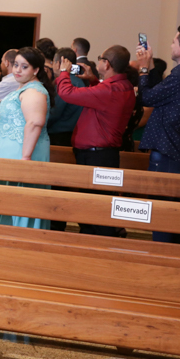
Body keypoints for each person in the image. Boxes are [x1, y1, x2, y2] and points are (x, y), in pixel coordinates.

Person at [135, 24, 180, 244]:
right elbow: (161, 95)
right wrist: (150, 66)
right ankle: (175, 256)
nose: (170, 45)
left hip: (168, 149)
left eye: (173, 42)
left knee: (161, 214)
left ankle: (162, 259)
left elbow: (147, 98)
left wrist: (143, 68)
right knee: (173, 214)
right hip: (178, 147)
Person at [56, 45, 136, 236]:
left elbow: (67, 93)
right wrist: (92, 79)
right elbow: (103, 99)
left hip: (96, 156)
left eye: (100, 58)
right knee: (95, 206)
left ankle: (97, 245)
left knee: (94, 210)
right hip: (104, 154)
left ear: (106, 64)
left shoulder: (109, 90)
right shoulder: (123, 86)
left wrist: (63, 72)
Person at [0, 47, 54, 229]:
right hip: (9, 153)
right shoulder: (24, 87)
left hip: (20, 155)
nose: (17, 70)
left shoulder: (34, 91)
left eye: (24, 67)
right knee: (5, 201)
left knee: (18, 203)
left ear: (36, 70)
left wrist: (25, 158)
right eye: (16, 65)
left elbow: (35, 123)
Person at [47, 48, 85, 147]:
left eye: (53, 62)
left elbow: (54, 112)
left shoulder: (64, 83)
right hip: (75, 133)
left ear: (58, 63)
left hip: (58, 135)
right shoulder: (79, 81)